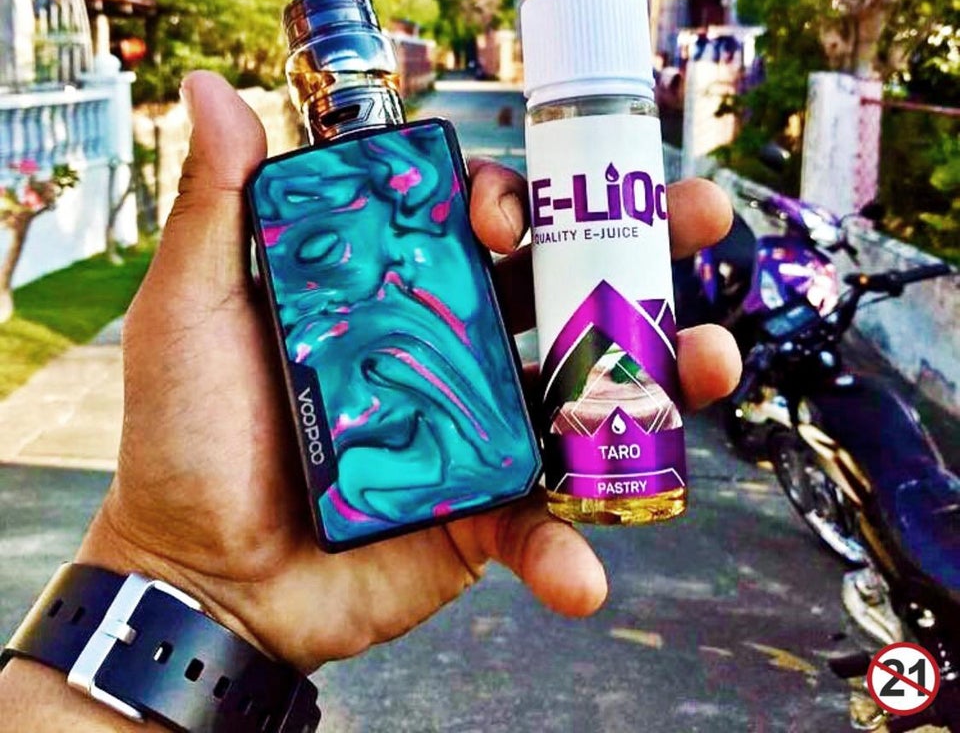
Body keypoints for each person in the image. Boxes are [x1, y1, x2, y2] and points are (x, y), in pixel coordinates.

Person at [0, 71, 740, 731]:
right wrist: (188, 580)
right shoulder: (321, 185)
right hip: (321, 523)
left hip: (370, 509)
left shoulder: (327, 185)